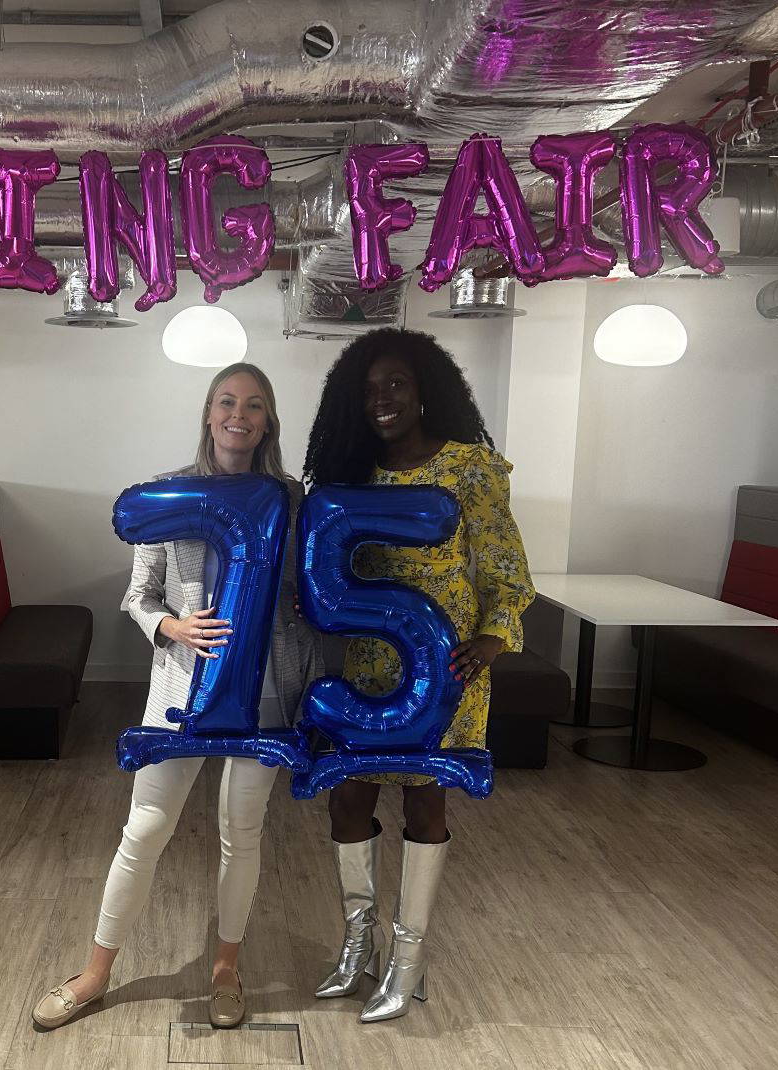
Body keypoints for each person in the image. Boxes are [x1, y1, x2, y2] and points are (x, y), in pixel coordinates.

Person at [33, 362, 322, 1031]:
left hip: (263, 691)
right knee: (145, 828)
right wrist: (171, 626)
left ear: (268, 421)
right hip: (180, 690)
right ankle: (95, 972)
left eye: (253, 405)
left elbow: (305, 592)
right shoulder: (169, 494)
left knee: (241, 832)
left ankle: (226, 968)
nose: (238, 415)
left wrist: (301, 628)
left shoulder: (290, 499)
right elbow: (139, 596)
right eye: (227, 401)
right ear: (209, 413)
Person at [301, 327, 533, 1023]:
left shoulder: (469, 468)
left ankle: (408, 959)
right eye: (369, 390)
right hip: (371, 662)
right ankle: (358, 945)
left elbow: (505, 566)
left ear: (425, 390)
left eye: (396, 384)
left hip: (447, 667)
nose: (382, 400)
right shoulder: (351, 471)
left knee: (426, 804)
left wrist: (494, 638)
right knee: (348, 800)